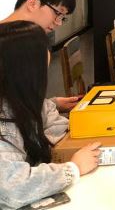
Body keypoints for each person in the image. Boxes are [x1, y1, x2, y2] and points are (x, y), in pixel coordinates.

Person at [0, 21, 101, 209]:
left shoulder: (20, 100)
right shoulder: (5, 123)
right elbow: (12, 188)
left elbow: (52, 123)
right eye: (41, 73)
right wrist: (72, 169)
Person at [0, 0, 80, 112]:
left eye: (62, 18)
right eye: (57, 13)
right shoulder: (32, 48)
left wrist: (52, 104)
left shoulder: (33, 43)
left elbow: (19, 102)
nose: (58, 23)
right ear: (32, 3)